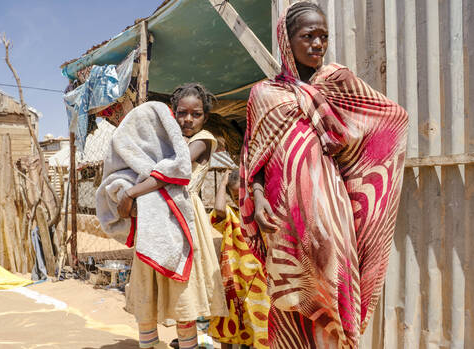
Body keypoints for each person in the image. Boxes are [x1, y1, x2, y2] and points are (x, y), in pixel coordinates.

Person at [239, 2, 408, 348]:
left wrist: (346, 146)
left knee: (334, 295)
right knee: (289, 301)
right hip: (282, 217)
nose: (318, 44)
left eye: (324, 37)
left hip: (331, 213)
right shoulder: (263, 95)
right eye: (308, 36)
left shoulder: (337, 82)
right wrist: (256, 199)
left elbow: (392, 120)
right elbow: (252, 163)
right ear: (287, 40)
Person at [120, 83, 228, 349]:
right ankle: (150, 344)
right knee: (148, 284)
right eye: (181, 113)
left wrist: (131, 193)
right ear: (173, 113)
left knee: (183, 292)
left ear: (205, 117)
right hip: (155, 222)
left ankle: (187, 343)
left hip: (185, 223)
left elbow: (174, 171)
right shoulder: (166, 141)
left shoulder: (202, 140)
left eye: (196, 114)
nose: (188, 119)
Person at [208, 169, 270, 349]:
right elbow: (218, 208)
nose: (240, 199)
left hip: (258, 282)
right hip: (233, 282)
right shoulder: (230, 216)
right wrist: (222, 183)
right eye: (235, 196)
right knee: (229, 330)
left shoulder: (262, 216)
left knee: (258, 328)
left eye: (244, 194)